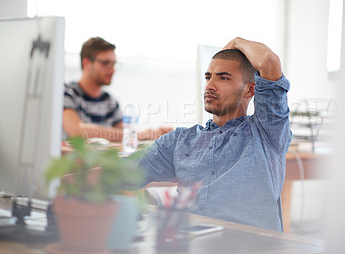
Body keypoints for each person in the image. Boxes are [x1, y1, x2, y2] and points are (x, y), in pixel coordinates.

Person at [136, 37, 292, 231]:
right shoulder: (180, 141)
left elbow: (269, 60)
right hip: (193, 245)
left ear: (250, 89)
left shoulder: (266, 132)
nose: (210, 85)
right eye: (208, 77)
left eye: (223, 77)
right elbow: (123, 172)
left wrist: (235, 43)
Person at [63, 37, 172, 142]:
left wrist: (152, 134)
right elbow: (76, 131)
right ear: (86, 63)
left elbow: (124, 134)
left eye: (113, 64)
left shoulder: (109, 101)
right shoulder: (67, 93)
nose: (112, 70)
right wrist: (135, 135)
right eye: (106, 63)